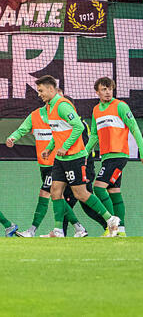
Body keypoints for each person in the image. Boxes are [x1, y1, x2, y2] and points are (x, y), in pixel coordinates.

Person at [36, 75, 119, 238]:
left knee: (80, 193)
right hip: (61, 159)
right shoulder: (49, 107)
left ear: (51, 89)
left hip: (74, 156)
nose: (39, 94)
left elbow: (78, 127)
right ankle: (58, 230)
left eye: (41, 90)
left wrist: (65, 147)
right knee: (55, 191)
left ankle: (110, 219)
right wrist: (49, 148)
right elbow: (58, 132)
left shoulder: (62, 106)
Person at [6, 88, 91, 238]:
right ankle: (78, 227)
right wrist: (12, 138)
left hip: (57, 162)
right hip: (43, 163)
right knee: (56, 196)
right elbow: (22, 129)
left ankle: (32, 230)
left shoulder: (62, 113)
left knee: (45, 194)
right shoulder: (36, 115)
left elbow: (75, 131)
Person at [84, 77, 143, 237]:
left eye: (110, 89)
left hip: (119, 155)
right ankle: (121, 231)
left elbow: (134, 127)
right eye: (104, 89)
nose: (107, 92)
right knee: (114, 191)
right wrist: (84, 155)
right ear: (97, 92)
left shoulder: (120, 106)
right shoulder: (96, 110)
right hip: (106, 156)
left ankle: (112, 225)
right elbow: (94, 135)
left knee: (99, 188)